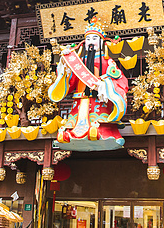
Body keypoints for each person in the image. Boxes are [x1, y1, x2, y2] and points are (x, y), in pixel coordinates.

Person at [48, 20, 128, 151]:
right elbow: (71, 82)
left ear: (101, 42)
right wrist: (64, 68)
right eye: (88, 39)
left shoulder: (108, 61)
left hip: (98, 99)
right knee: (75, 120)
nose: (91, 41)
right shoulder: (79, 62)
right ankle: (72, 134)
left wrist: (104, 84)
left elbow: (120, 80)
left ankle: (102, 132)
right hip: (80, 99)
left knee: (99, 120)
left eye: (95, 38)